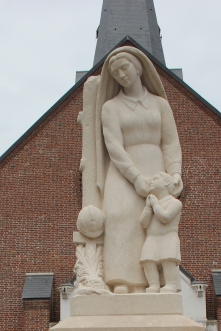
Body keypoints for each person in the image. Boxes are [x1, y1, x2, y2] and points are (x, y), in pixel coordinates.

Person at [96, 47, 183, 294]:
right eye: (115, 72)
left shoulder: (160, 104)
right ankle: (122, 280)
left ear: (138, 67)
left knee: (152, 223)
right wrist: (135, 177)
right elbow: (114, 147)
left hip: (155, 167)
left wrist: (175, 173)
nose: (121, 74)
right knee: (120, 218)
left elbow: (170, 142)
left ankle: (152, 283)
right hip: (124, 172)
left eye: (124, 68)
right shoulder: (111, 107)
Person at [139, 172, 182, 293]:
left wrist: (155, 204)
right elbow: (143, 223)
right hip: (152, 237)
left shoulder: (175, 203)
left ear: (167, 183)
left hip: (167, 237)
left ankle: (170, 284)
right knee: (148, 261)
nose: (151, 181)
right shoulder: (152, 204)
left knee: (167, 260)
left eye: (155, 178)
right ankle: (153, 285)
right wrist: (148, 207)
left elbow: (165, 217)